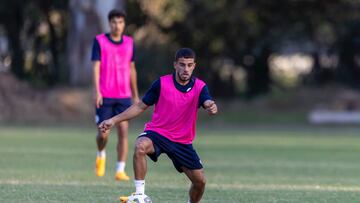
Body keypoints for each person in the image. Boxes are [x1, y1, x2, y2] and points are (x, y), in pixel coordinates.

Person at [99, 48, 218, 203]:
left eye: (189, 65)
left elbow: (206, 100)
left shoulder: (200, 87)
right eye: (182, 65)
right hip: (158, 133)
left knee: (200, 182)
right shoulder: (162, 83)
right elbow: (140, 106)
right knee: (140, 146)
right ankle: (140, 194)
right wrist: (113, 120)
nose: (186, 69)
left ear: (194, 66)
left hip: (182, 141)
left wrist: (210, 105)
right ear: (175, 65)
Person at [92, 9, 139, 181]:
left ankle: (120, 170)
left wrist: (135, 95)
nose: (117, 25)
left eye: (120, 22)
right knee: (103, 134)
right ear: (109, 23)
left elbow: (132, 69)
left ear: (124, 24)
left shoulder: (129, 43)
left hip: (124, 96)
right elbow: (96, 67)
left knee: (124, 131)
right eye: (114, 22)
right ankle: (101, 152)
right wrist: (96, 91)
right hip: (104, 95)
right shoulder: (100, 41)